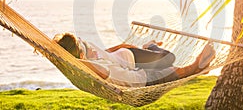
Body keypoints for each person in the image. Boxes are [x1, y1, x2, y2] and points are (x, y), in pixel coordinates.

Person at [53, 33, 216, 87]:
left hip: (132, 59)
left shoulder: (90, 59)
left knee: (170, 60)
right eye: (81, 50)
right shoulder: (93, 65)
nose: (85, 49)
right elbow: (105, 63)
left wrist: (124, 46)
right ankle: (198, 68)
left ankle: (151, 46)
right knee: (172, 64)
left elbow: (105, 54)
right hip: (134, 68)